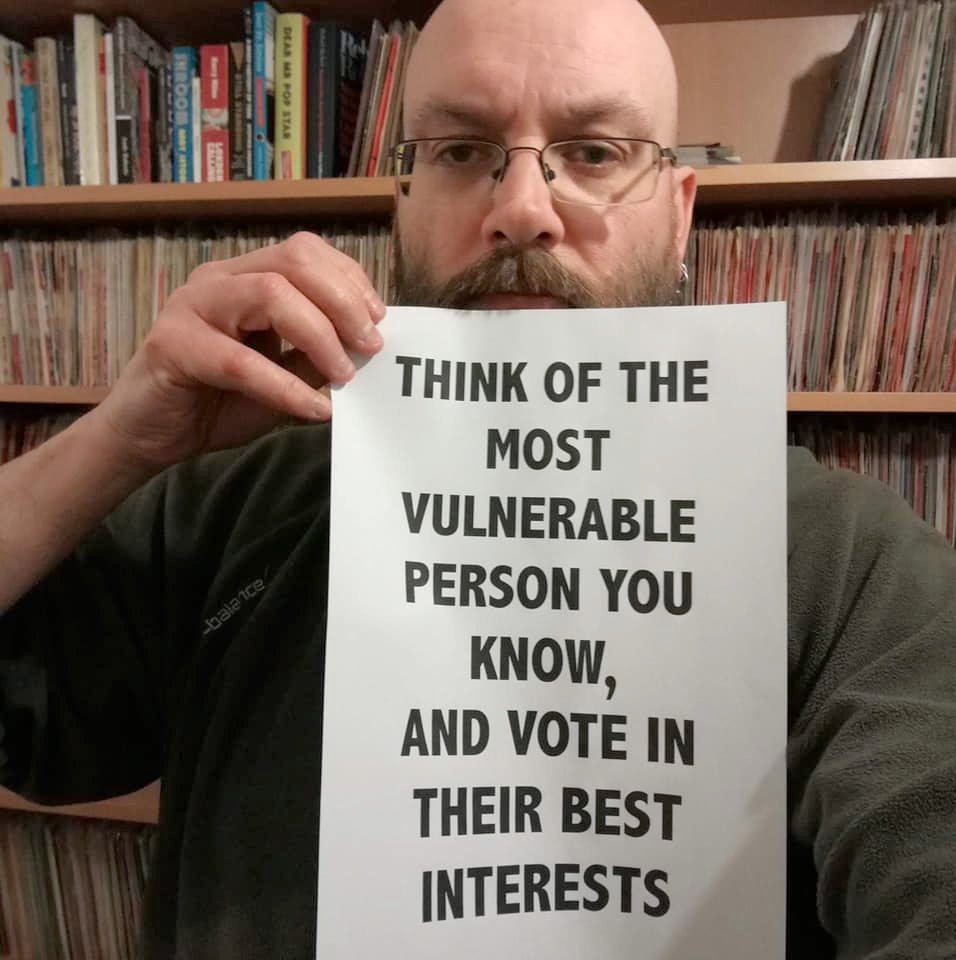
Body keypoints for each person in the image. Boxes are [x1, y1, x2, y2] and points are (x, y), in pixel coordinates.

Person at [1, 0, 954, 956]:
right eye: (460, 151)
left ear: (679, 216)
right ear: (402, 201)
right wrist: (119, 440)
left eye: (595, 152)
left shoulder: (849, 562)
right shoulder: (231, 505)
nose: (524, 210)